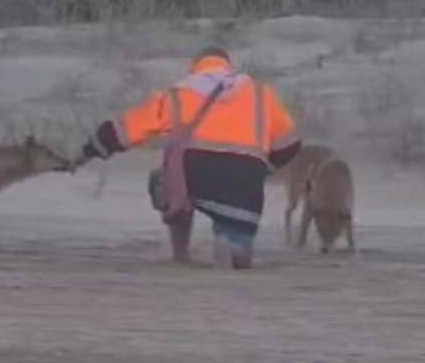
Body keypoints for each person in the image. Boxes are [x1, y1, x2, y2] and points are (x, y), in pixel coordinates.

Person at [73, 46, 302, 269]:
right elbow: (291, 145)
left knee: (171, 177)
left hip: (197, 173)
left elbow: (126, 131)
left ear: (195, 67)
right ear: (228, 66)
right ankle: (234, 246)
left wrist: (89, 150)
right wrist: (266, 168)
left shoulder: (181, 93)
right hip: (247, 176)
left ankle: (181, 252)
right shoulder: (261, 94)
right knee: (237, 226)